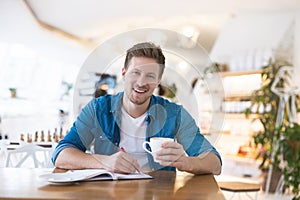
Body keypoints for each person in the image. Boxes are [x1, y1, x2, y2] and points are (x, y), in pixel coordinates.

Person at [52, 42, 222, 175]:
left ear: (158, 81)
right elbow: (61, 155)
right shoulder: (98, 109)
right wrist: (103, 162)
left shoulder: (174, 114)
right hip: (107, 193)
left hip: (158, 193)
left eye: (150, 76)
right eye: (136, 73)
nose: (141, 82)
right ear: (124, 73)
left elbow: (215, 163)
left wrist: (187, 162)